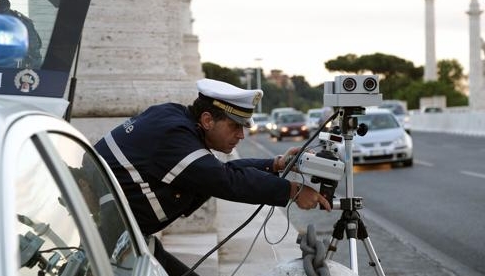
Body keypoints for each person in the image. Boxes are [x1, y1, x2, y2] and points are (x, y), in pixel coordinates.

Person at [94, 78, 331, 276]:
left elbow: (215, 172)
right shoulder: (174, 137)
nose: (240, 135)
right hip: (103, 239)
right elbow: (225, 180)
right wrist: (293, 191)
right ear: (208, 120)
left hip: (123, 234)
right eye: (234, 126)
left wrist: (276, 164)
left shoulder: (174, 118)